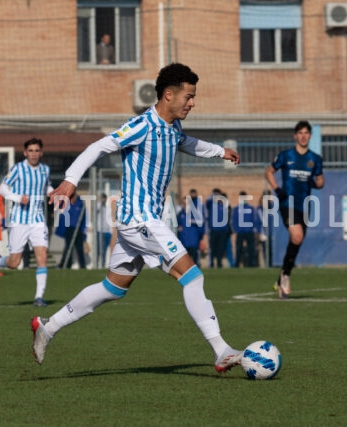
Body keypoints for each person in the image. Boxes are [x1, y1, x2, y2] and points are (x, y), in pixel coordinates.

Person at [30, 63, 243, 373]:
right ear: (168, 95)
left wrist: (219, 152)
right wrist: (70, 180)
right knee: (192, 276)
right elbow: (100, 146)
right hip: (139, 220)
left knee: (113, 287)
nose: (193, 102)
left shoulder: (172, 128)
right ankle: (221, 349)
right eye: (189, 96)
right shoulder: (143, 125)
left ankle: (47, 327)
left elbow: (187, 144)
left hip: (143, 221)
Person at [0, 138, 53, 307]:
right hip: (19, 220)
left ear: (41, 153)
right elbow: (3, 189)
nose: (33, 154)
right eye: (30, 151)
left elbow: (47, 187)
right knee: (14, 263)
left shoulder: (45, 170)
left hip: (37, 219)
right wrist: (17, 198)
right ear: (25, 153)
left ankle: (39, 297)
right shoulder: (18, 169)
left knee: (42, 256)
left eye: (37, 150)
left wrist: (56, 194)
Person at [265, 120, 324, 299]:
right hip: (287, 204)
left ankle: (282, 276)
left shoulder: (315, 159)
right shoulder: (285, 155)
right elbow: (268, 172)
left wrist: (315, 182)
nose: (303, 136)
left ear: (310, 136)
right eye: (300, 133)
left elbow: (321, 182)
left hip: (304, 206)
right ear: (295, 136)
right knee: (296, 236)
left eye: (306, 133)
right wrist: (277, 189)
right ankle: (286, 276)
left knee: (297, 242)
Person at [57, 191, 87, 269]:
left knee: (79, 248)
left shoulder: (80, 204)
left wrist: (83, 230)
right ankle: (67, 265)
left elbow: (84, 218)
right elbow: (59, 205)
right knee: (68, 247)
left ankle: (82, 266)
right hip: (69, 228)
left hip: (78, 229)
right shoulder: (66, 202)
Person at [231, 191, 261, 267]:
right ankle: (237, 264)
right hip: (240, 232)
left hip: (249, 231)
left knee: (251, 249)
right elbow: (234, 220)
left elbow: (254, 220)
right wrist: (236, 229)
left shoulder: (250, 208)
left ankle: (251, 264)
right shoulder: (236, 208)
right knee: (239, 249)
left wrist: (255, 230)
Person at [177, 189, 204, 266]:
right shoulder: (180, 213)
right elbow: (178, 224)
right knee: (186, 261)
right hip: (184, 239)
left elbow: (201, 221)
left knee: (195, 259)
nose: (185, 204)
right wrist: (179, 228)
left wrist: (193, 221)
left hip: (193, 239)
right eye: (184, 203)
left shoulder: (194, 212)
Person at [206, 189, 230, 268]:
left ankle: (219, 263)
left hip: (223, 230)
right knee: (212, 248)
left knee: (221, 248)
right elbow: (207, 201)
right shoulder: (212, 205)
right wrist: (213, 194)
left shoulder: (225, 206)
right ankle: (212, 263)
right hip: (214, 230)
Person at [96, 193, 113, 268]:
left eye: (104, 198)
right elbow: (96, 210)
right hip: (100, 231)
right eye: (102, 198)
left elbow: (110, 220)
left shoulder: (108, 208)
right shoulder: (98, 206)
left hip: (107, 232)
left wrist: (111, 231)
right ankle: (96, 265)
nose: (103, 200)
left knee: (105, 250)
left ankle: (102, 265)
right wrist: (100, 202)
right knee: (99, 250)